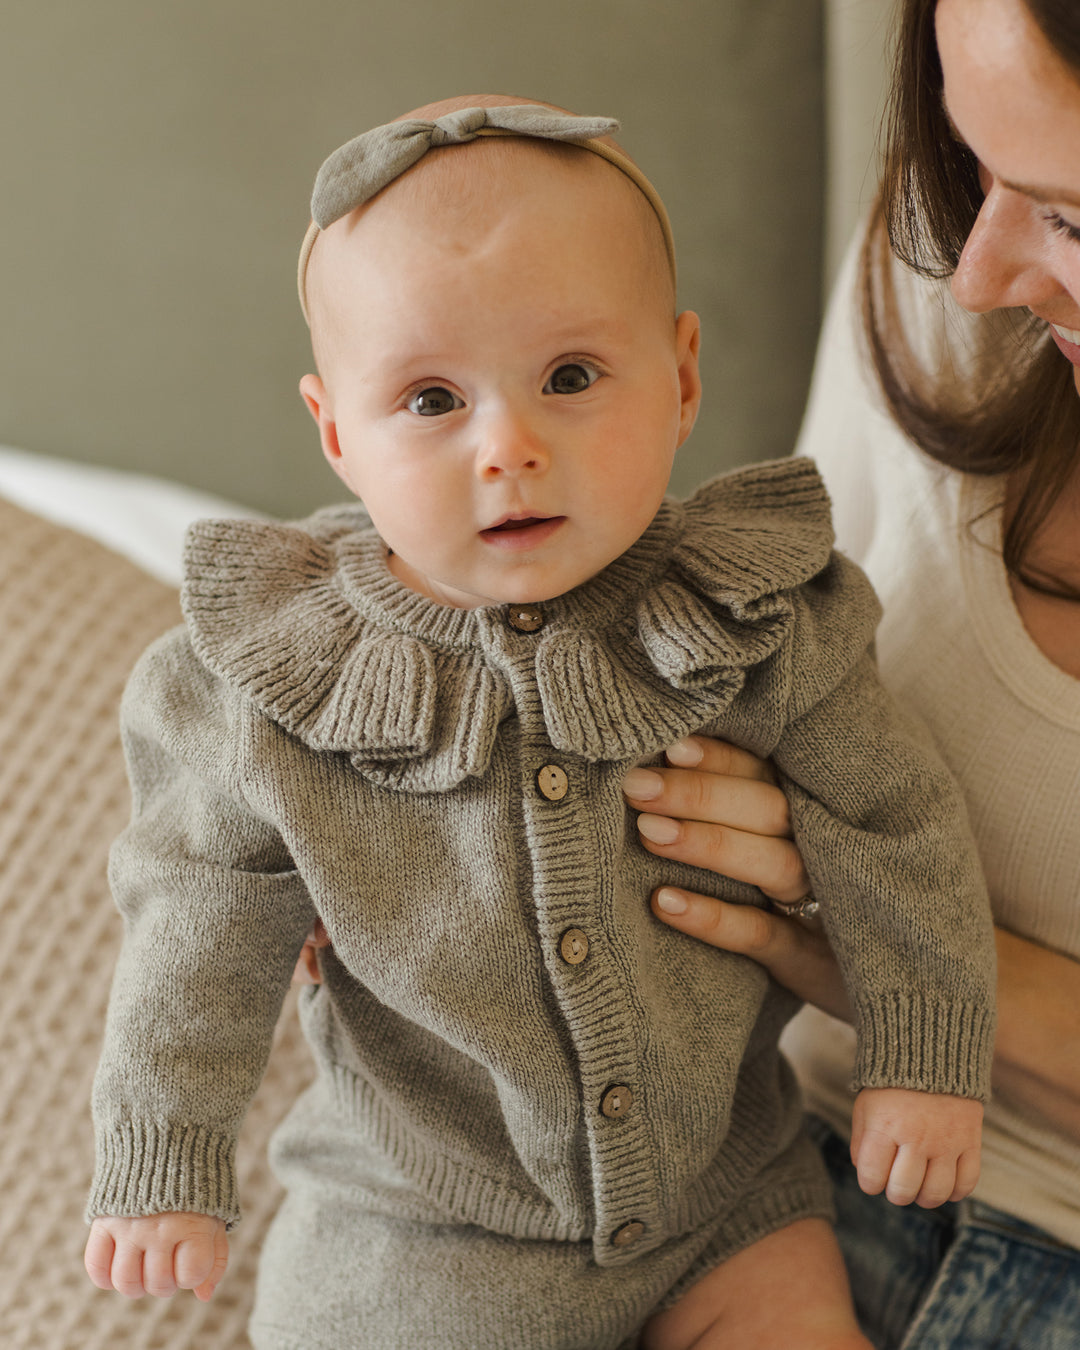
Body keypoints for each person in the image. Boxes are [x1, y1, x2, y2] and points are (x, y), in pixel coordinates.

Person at [82, 94, 995, 1350]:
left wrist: (922, 1055)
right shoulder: (272, 683)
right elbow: (195, 922)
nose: (507, 447)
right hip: (422, 1229)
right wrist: (164, 1156)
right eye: (431, 401)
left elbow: (893, 822)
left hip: (726, 1204)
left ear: (680, 377)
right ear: (336, 432)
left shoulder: (755, 612)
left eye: (571, 377)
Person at [631, 0, 1080, 1345]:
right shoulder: (943, 258)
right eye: (967, 160)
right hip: (757, 1170)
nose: (981, 272)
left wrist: (864, 930)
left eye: (1071, 216)